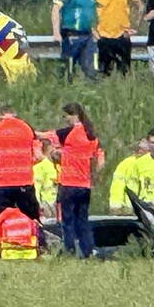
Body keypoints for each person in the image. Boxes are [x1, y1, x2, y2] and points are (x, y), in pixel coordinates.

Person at [52, 103, 104, 258]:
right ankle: (88, 251)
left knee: (67, 220)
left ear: (73, 115)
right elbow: (99, 160)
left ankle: (69, 250)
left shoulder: (68, 133)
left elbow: (46, 135)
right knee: (83, 220)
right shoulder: (91, 134)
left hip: (68, 183)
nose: (65, 119)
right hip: (84, 184)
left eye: (65, 116)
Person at [0, 105, 42, 232]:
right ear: (15, 114)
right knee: (32, 218)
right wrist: (25, 163)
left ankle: (4, 247)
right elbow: (39, 156)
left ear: (0, 116)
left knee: (2, 220)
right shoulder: (27, 127)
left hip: (2, 184)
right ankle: (37, 245)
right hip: (24, 182)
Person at [93, 0, 142, 76]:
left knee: (124, 72)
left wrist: (135, 26)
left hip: (122, 36)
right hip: (103, 36)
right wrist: (94, 33)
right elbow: (88, 14)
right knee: (102, 73)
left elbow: (139, 6)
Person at [51, 0, 98, 81]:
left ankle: (92, 90)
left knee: (92, 68)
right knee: (68, 68)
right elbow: (56, 9)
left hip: (88, 36)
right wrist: (56, 32)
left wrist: (94, 29)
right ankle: (64, 88)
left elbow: (90, 13)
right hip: (72, 34)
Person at [109, 139, 148, 214]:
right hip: (129, 208)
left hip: (145, 207)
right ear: (139, 151)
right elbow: (117, 186)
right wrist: (116, 206)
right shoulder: (126, 164)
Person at [34, 137, 61, 221]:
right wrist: (38, 205)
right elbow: (36, 188)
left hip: (58, 204)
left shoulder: (58, 165)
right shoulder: (39, 167)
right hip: (46, 205)